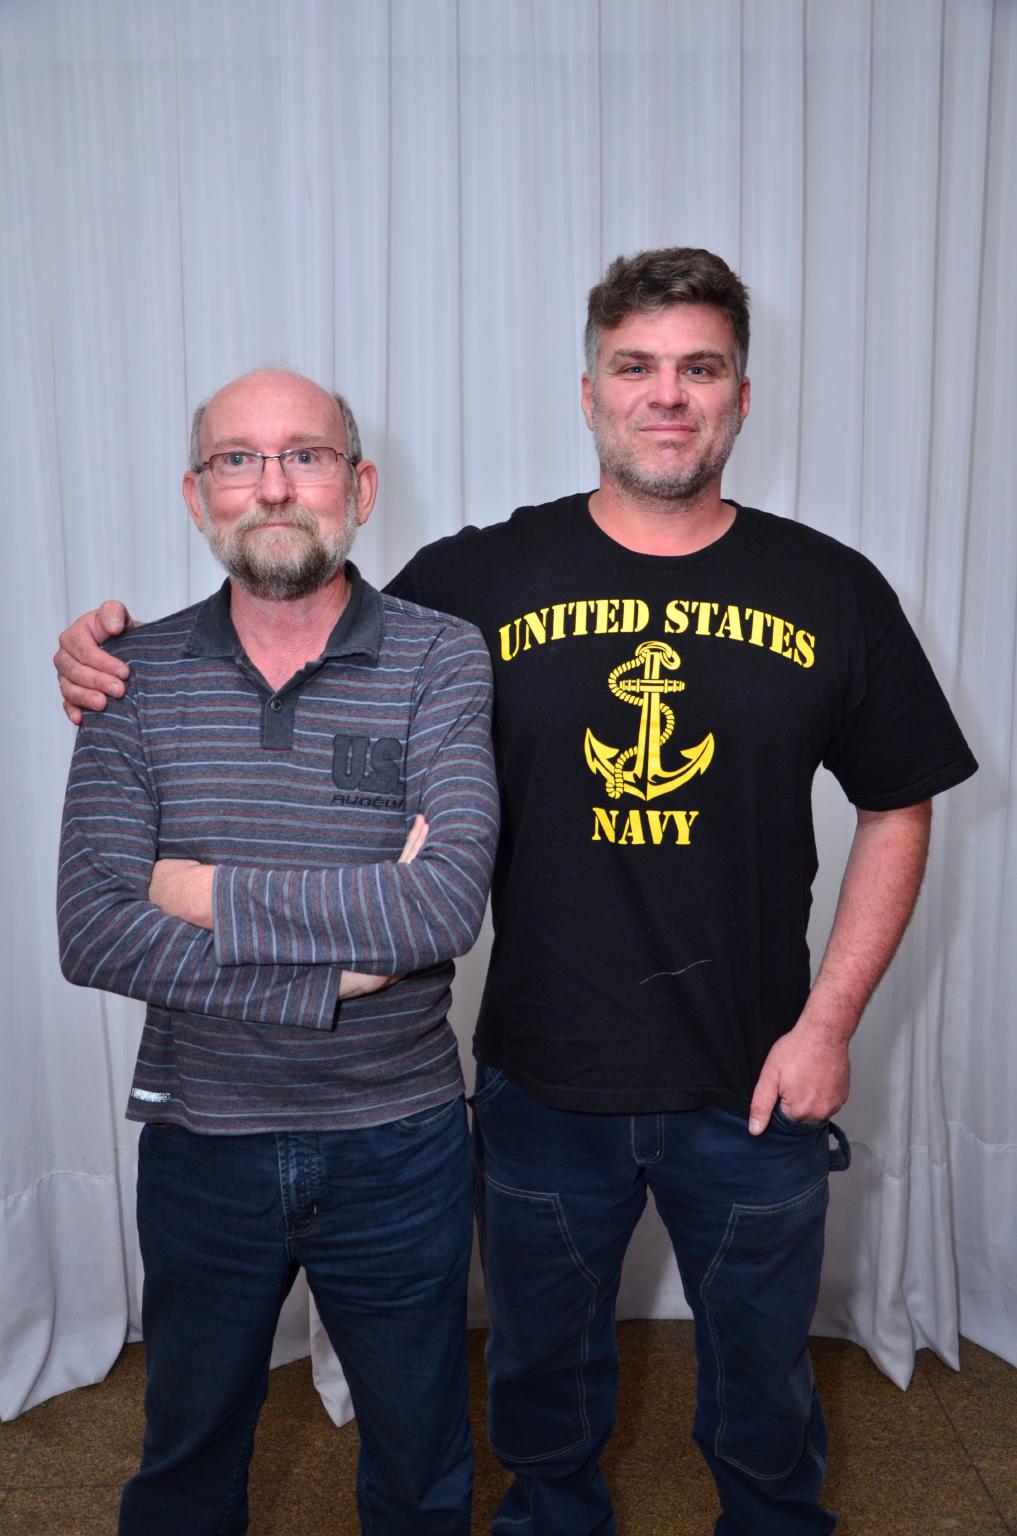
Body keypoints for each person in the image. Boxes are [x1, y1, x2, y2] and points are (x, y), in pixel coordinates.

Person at [56, 251, 977, 1536]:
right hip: (540, 1084)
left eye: (699, 368)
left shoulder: (832, 589)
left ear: (742, 396)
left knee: (768, 1411)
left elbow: (899, 802)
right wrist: (109, 663)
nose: (667, 396)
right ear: (590, 393)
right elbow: (303, 621)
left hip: (755, 1077)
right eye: (635, 367)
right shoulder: (470, 587)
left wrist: (830, 1026)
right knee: (541, 1409)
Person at [56, 367, 498, 1536]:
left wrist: (197, 889)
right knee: (186, 1460)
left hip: (399, 1144)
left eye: (305, 454)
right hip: (202, 1144)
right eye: (237, 459)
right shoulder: (129, 677)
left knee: (421, 1463)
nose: (272, 486)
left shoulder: (443, 659)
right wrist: (337, 973)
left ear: (359, 485)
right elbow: (93, 927)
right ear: (196, 494)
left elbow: (443, 906)